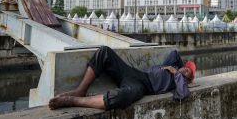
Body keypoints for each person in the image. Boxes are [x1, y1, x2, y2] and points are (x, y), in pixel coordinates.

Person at [48, 46, 196, 110]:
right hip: (134, 73)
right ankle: (80, 90)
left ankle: (74, 100)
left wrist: (177, 74)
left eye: (188, 71)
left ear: (189, 80)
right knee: (104, 52)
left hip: (143, 87)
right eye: (185, 66)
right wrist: (178, 67)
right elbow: (175, 53)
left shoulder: (180, 82)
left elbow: (183, 95)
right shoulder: (173, 66)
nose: (185, 69)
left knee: (122, 97)